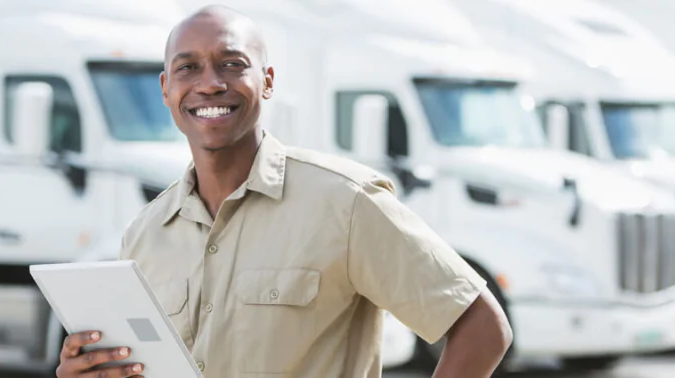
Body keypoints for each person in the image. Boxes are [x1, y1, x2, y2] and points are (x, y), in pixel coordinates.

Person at [55, 5, 512, 378]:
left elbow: (482, 327)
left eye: (232, 64)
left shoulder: (345, 201)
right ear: (166, 89)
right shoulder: (145, 232)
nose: (210, 83)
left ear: (268, 81)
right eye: (188, 68)